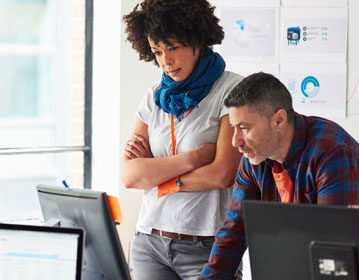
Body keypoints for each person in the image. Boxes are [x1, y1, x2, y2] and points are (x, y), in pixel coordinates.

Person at [121, 0, 243, 279]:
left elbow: (222, 174)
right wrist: (194, 158)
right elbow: (131, 175)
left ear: (196, 40)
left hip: (206, 247)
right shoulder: (154, 97)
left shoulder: (231, 90)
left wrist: (159, 177)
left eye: (172, 48)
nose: (165, 61)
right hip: (149, 243)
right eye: (157, 51)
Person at [200, 72, 359, 279]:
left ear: (278, 120)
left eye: (244, 128)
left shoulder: (331, 152)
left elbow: (333, 249)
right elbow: (233, 232)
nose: (235, 141)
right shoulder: (254, 158)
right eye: (233, 128)